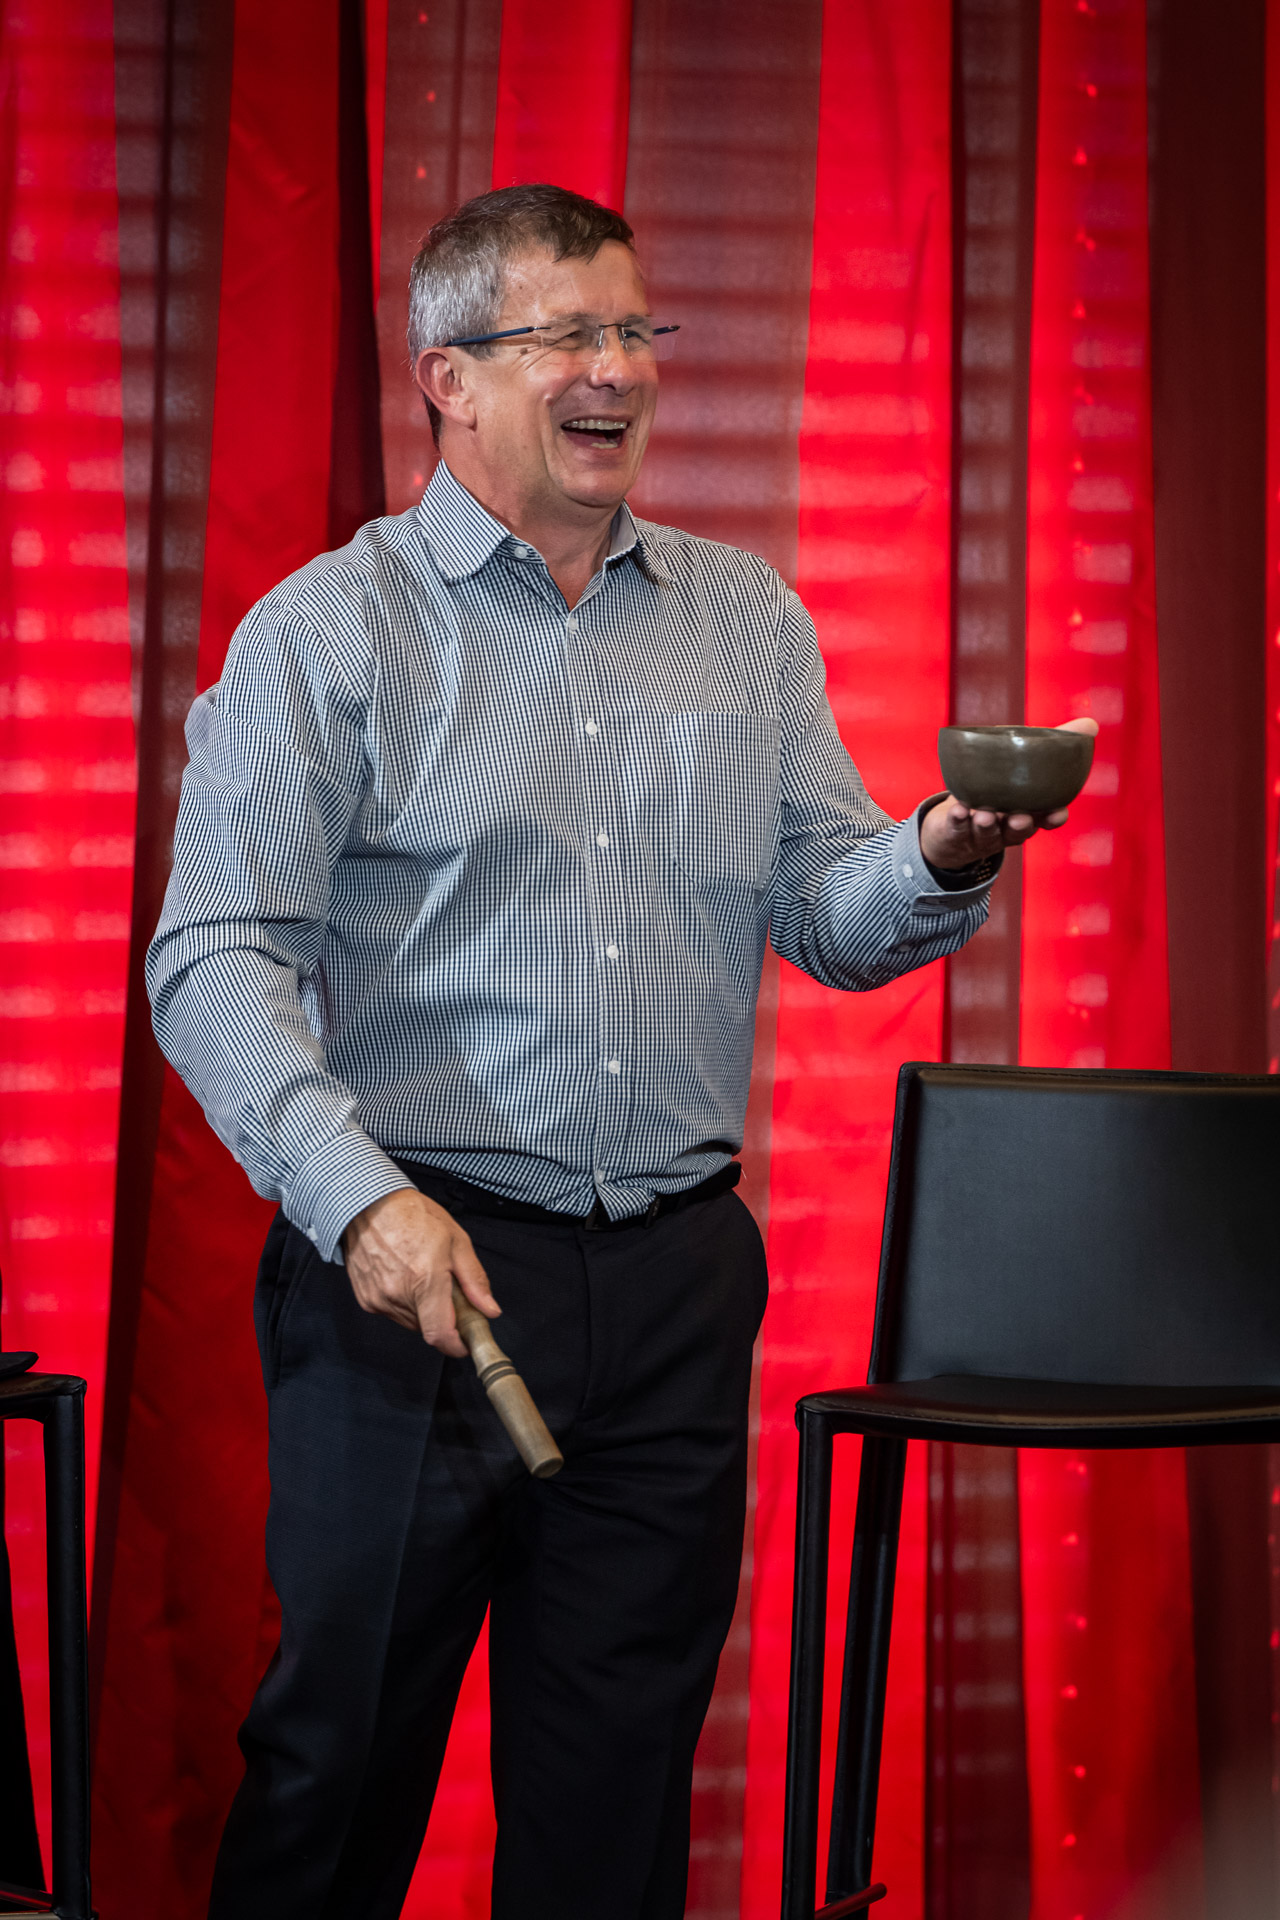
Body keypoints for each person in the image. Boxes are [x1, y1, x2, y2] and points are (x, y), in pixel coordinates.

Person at [147, 183, 1094, 1920]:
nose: (619, 370)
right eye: (568, 335)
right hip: (416, 1278)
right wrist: (360, 1202)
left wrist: (939, 850)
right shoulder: (330, 632)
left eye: (636, 331)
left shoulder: (746, 619)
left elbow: (827, 912)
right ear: (448, 378)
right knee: (335, 1774)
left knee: (616, 1799)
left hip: (669, 1289)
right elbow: (213, 957)